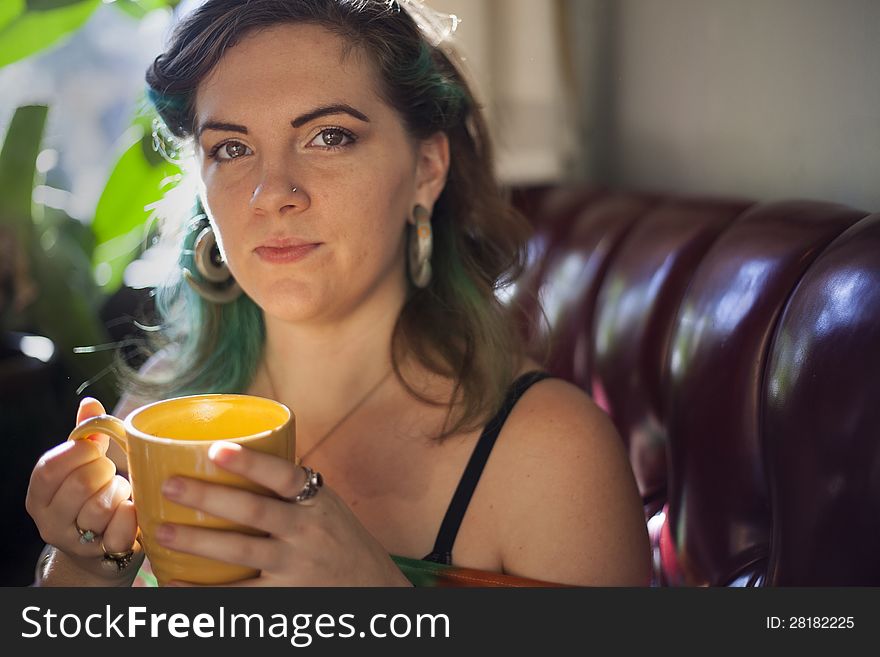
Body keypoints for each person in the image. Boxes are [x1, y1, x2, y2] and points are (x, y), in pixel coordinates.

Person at [26, 0, 650, 587]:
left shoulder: (553, 455)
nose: (271, 192)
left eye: (329, 136)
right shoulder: (162, 405)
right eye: (232, 148)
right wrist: (84, 570)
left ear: (427, 169)